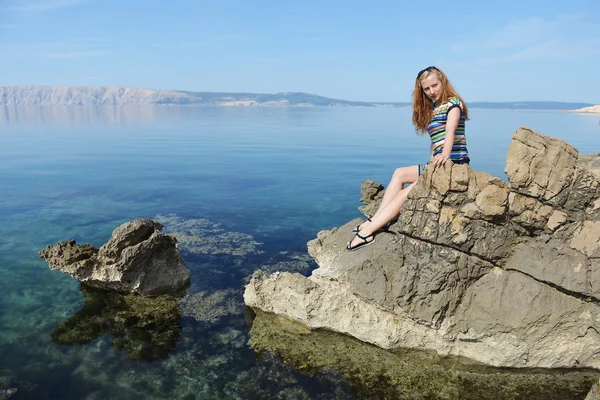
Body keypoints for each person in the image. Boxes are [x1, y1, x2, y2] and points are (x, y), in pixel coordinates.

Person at [346, 66, 470, 251]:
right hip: (437, 164)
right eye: (426, 89)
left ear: (442, 81)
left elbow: (450, 132)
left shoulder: (454, 104)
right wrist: (432, 160)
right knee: (399, 173)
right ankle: (376, 219)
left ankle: (368, 232)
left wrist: (444, 155)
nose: (432, 92)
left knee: (406, 193)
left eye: (434, 86)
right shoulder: (435, 108)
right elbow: (435, 141)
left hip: (454, 164)